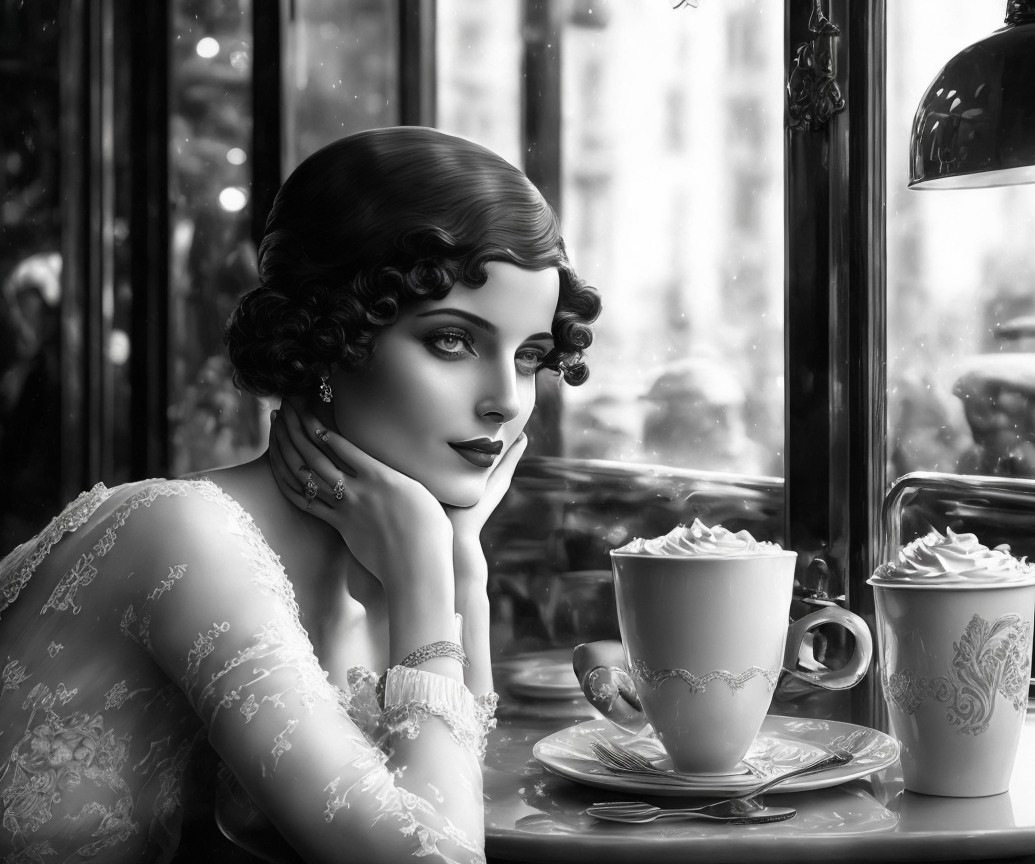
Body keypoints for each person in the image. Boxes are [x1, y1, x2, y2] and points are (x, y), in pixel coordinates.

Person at [0, 127, 600, 863]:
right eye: (452, 341)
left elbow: (450, 796)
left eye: (531, 355)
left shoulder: (377, 551)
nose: (506, 400)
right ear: (330, 340)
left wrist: (459, 561)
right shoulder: (181, 534)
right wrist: (422, 576)